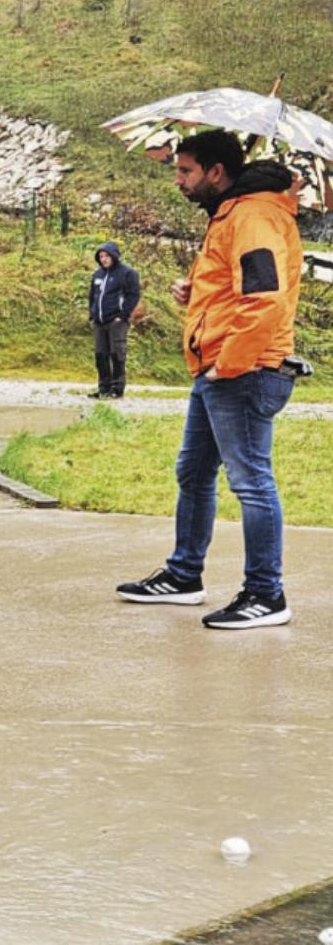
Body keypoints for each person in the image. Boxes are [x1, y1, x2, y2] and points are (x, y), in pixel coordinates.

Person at [117, 129, 305, 630]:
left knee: (251, 482)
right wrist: (194, 286)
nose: (178, 180)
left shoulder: (253, 215)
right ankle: (184, 576)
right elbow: (234, 284)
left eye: (185, 171)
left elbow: (265, 296)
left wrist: (233, 362)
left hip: (242, 369)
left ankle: (266, 594)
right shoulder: (230, 212)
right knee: (194, 472)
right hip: (217, 368)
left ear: (216, 172)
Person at [88, 240, 142, 398]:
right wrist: (92, 313)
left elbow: (134, 295)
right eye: (101, 256)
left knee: (117, 354)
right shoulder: (97, 274)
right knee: (100, 355)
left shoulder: (127, 273)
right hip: (99, 321)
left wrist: (123, 315)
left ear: (114, 256)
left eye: (106, 256)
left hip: (116, 321)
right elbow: (92, 296)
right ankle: (103, 388)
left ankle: (117, 389)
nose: (104, 259)